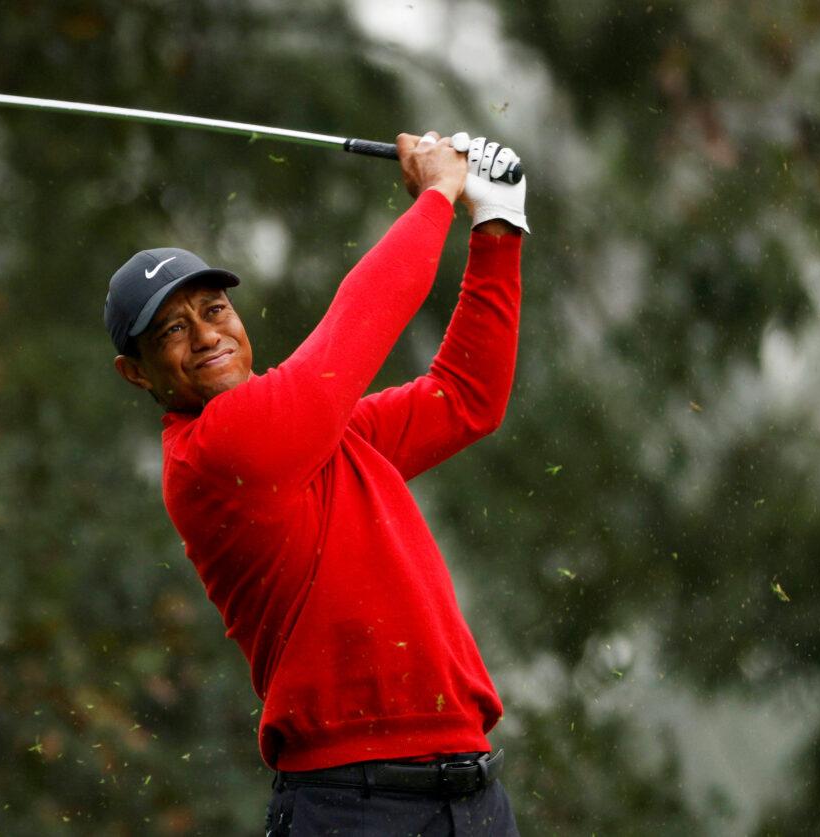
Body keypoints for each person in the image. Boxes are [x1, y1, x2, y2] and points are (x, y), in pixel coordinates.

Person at [105, 130, 528, 836]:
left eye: (214, 310)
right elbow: (360, 319)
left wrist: (499, 224)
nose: (206, 335)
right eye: (171, 331)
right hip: (350, 806)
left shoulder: (327, 436)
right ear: (138, 372)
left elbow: (466, 397)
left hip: (473, 795)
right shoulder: (216, 451)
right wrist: (438, 194)